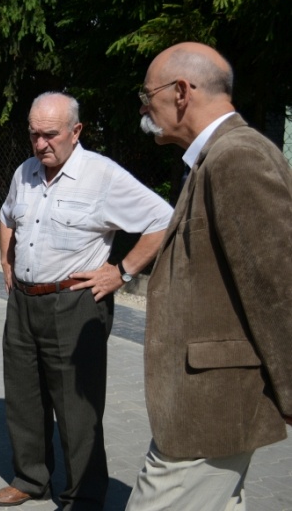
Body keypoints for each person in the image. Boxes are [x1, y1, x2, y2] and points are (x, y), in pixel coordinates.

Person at [125, 42, 292, 510]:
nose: (144, 107)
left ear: (181, 92)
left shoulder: (236, 156)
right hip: (206, 406)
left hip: (210, 409)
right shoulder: (213, 157)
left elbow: (278, 285)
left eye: (148, 95)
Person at [0, 92, 173, 510]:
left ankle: (83, 497)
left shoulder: (101, 175)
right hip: (23, 302)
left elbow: (163, 219)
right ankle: (30, 478)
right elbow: (6, 216)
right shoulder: (25, 172)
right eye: (33, 134)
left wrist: (122, 272)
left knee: (77, 407)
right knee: (23, 395)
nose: (40, 144)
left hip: (74, 303)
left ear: (76, 131)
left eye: (50, 135)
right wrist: (5, 260)